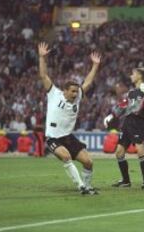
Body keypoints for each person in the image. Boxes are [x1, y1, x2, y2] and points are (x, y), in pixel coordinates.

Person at [38, 42, 101, 195]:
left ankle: (88, 186)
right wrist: (42, 57)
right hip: (53, 138)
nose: (75, 94)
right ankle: (81, 186)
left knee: (88, 162)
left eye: (76, 91)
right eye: (72, 91)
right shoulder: (54, 94)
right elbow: (43, 75)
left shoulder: (78, 96)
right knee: (66, 157)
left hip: (68, 137)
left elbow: (88, 82)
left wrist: (95, 65)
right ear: (65, 91)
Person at [103, 68, 144, 189]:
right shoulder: (130, 92)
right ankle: (126, 181)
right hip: (127, 123)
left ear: (139, 76)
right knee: (119, 152)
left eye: (133, 74)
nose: (131, 76)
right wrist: (111, 115)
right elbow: (122, 106)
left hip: (138, 122)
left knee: (140, 151)